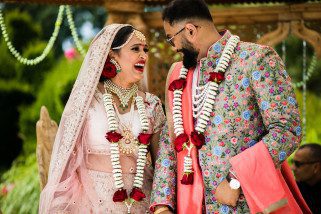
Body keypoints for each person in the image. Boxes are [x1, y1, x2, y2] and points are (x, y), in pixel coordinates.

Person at [150, 0, 310, 213]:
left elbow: (287, 129)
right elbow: (171, 144)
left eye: (172, 39)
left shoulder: (255, 59)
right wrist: (162, 204)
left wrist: (235, 180)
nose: (175, 48)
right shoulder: (178, 74)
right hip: (192, 206)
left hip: (247, 202)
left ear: (190, 30)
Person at [39, 24, 165, 213]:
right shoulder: (87, 101)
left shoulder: (151, 104)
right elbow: (66, 161)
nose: (144, 56)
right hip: (92, 204)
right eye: (135, 49)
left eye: (145, 50)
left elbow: (163, 165)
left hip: (142, 203)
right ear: (112, 54)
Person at [292, 143, 321, 213]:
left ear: (316, 167)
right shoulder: (295, 188)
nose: (292, 168)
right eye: (292, 163)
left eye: (298, 164)